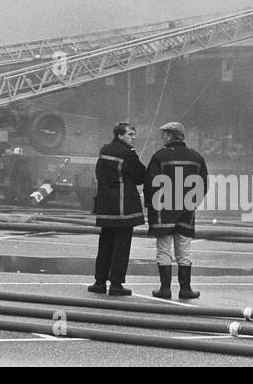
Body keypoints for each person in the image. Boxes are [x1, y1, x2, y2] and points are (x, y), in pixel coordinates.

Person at [145, 121, 208, 300]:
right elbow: (203, 184)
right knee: (184, 250)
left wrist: (151, 205)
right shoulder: (196, 157)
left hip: (162, 211)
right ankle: (185, 289)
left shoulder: (160, 156)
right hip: (186, 211)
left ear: (170, 136)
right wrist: (193, 203)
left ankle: (165, 289)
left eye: (164, 134)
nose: (162, 137)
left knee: (164, 249)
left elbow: (150, 183)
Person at [89, 121, 146, 296]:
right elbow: (140, 176)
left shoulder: (104, 150)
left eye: (134, 134)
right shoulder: (127, 154)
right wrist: (135, 156)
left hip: (106, 206)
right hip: (123, 208)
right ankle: (116, 284)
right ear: (120, 135)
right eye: (130, 134)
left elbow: (100, 173)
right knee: (121, 247)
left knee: (105, 244)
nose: (133, 138)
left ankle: (99, 282)